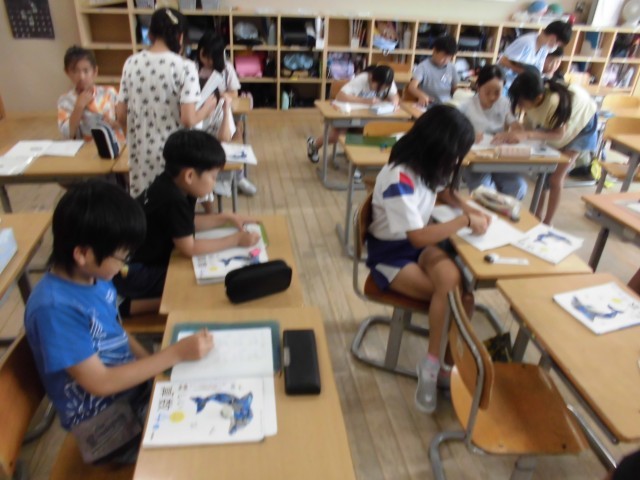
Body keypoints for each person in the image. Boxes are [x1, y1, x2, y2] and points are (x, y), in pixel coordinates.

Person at [24, 180, 213, 464]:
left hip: (132, 393)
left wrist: (158, 367)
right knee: (204, 445)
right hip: (105, 428)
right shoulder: (54, 309)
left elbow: (117, 333)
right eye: (121, 256)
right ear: (83, 253)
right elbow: (99, 382)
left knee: (209, 392)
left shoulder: (95, 279)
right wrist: (173, 355)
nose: (125, 264)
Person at [367, 105, 490, 414]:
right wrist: (464, 221)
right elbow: (417, 237)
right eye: (455, 154)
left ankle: (438, 364)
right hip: (392, 254)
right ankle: (434, 368)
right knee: (459, 300)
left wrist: (468, 208)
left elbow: (444, 192)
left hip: (418, 246)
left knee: (454, 283)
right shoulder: (399, 178)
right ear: (438, 147)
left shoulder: (425, 164)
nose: (456, 162)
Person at [113, 129, 259, 315]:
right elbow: (189, 248)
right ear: (190, 176)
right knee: (192, 283)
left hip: (133, 265)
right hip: (133, 273)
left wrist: (226, 218)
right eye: (213, 177)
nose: (214, 183)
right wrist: (236, 240)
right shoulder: (173, 199)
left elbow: (184, 225)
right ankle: (126, 307)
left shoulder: (171, 184)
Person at [116, 8, 218, 197]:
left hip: (141, 153)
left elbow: (120, 115)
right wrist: (207, 109)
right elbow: (188, 119)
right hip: (175, 155)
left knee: (147, 203)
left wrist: (136, 138)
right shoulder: (185, 67)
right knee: (174, 204)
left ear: (150, 34)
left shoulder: (131, 63)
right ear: (181, 37)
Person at [494, 70, 597, 225]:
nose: (520, 106)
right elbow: (527, 128)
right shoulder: (535, 98)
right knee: (542, 175)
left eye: (521, 102)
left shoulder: (553, 103)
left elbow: (558, 135)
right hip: (562, 124)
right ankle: (536, 216)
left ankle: (548, 222)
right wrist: (512, 135)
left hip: (583, 125)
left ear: (537, 98)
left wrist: (527, 135)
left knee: (555, 179)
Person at [196, 31, 258, 199]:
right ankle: (210, 179)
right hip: (199, 115)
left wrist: (223, 96)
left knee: (234, 135)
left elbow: (234, 92)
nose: (206, 61)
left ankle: (238, 176)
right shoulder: (193, 68)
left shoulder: (226, 68)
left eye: (211, 58)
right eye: (203, 56)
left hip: (221, 111)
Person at [306, 65, 400, 164]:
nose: (381, 90)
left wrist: (394, 103)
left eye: (384, 88)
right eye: (378, 87)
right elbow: (340, 96)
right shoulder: (362, 79)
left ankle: (356, 159)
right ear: (372, 78)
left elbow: (395, 96)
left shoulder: (387, 81)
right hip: (349, 113)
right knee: (337, 136)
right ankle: (314, 145)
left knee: (376, 134)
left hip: (369, 116)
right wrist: (366, 101)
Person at [458, 65, 527, 200]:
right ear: (478, 87)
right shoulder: (467, 105)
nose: (492, 97)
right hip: (474, 160)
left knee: (518, 187)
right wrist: (468, 135)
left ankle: (503, 211)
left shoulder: (504, 103)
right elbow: (452, 130)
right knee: (485, 192)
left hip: (498, 158)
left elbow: (516, 127)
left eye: (497, 92)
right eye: (487, 92)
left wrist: (513, 134)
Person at [57, 46, 123, 142]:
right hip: (84, 147)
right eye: (75, 71)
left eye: (86, 71)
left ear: (95, 71)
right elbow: (68, 134)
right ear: (67, 72)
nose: (81, 77)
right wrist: (79, 107)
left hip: (112, 143)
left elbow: (125, 122)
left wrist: (113, 123)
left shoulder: (109, 92)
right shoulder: (65, 101)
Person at [498, 21, 572, 88]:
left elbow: (537, 70)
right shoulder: (527, 43)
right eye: (557, 44)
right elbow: (503, 61)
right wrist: (526, 73)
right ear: (553, 38)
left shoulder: (544, 48)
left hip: (520, 86)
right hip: (505, 84)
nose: (556, 47)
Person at [407, 35, 459, 106]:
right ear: (434, 51)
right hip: (429, 104)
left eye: (449, 57)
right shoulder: (423, 66)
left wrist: (462, 93)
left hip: (447, 104)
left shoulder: (452, 67)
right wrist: (421, 95)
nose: (446, 60)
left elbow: (454, 88)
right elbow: (412, 87)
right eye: (444, 56)